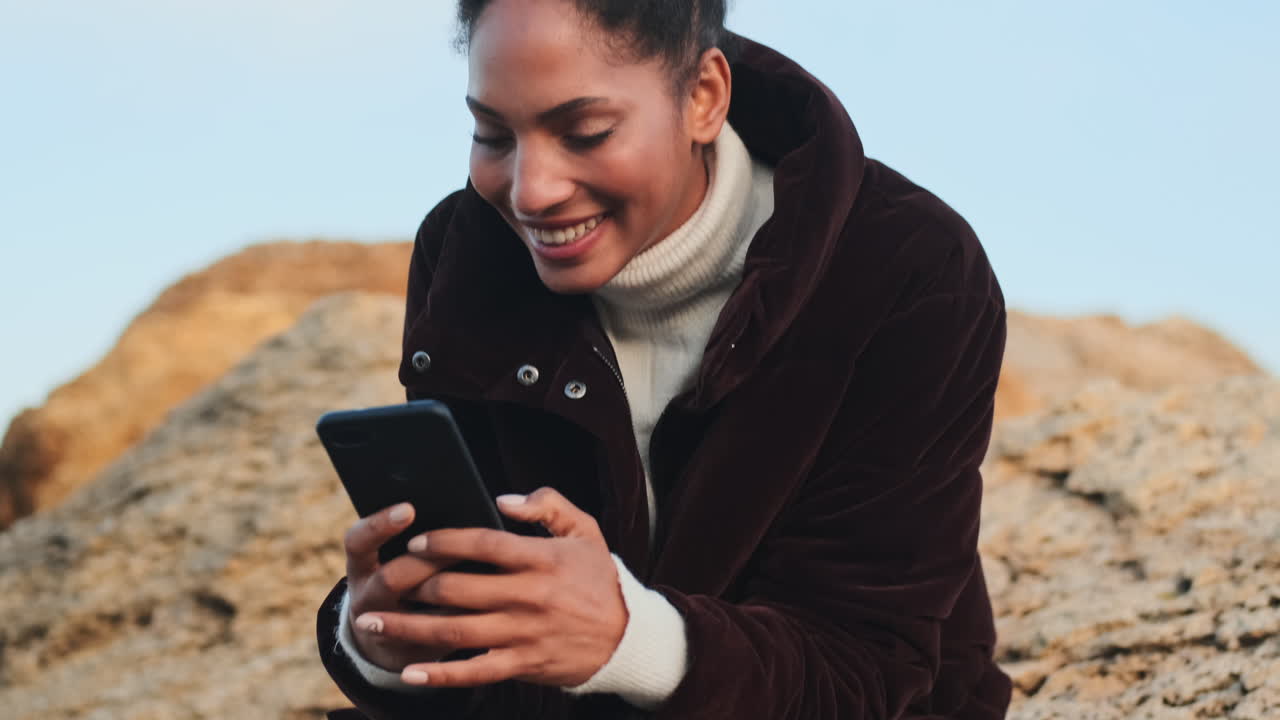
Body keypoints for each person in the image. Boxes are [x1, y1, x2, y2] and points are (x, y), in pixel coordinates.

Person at [315, 1, 1013, 718]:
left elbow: (864, 666)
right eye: (492, 135)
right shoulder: (467, 255)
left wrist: (630, 637)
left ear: (704, 97)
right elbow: (505, 635)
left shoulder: (907, 268)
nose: (531, 192)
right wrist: (388, 644)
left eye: (585, 133)